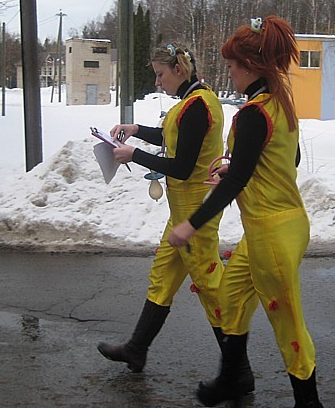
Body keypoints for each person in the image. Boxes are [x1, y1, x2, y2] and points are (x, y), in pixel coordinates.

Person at [169, 17, 323, 408]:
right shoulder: (280, 105)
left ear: (251, 67)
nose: (230, 74)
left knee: (287, 321)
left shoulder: (255, 114)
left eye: (234, 66)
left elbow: (239, 180)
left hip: (272, 233)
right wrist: (238, 165)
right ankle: (232, 379)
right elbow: (289, 159)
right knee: (230, 295)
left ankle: (309, 402)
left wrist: (191, 224)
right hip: (275, 228)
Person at [97, 44, 254, 392]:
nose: (157, 81)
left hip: (194, 216)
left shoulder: (197, 107)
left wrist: (133, 155)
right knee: (163, 277)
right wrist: (135, 128)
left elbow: (182, 168)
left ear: (179, 69)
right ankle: (137, 349)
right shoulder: (194, 101)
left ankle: (238, 372)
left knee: (212, 290)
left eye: (160, 74)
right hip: (182, 213)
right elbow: (173, 137)